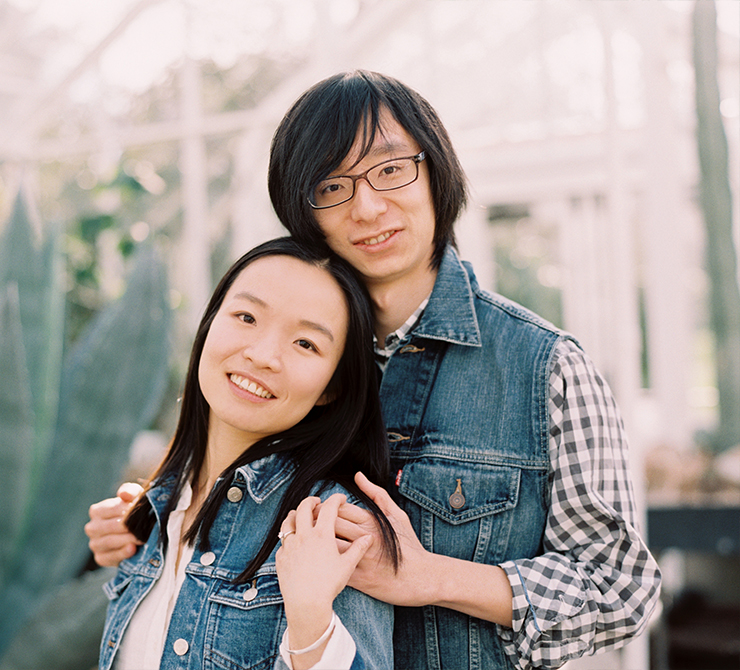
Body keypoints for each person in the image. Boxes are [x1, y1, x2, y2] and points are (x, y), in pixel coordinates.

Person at [88, 70, 661, 670]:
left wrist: (433, 578)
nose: (366, 206)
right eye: (332, 186)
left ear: (436, 170)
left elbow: (622, 589)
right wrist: (165, 521)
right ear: (302, 211)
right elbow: (235, 483)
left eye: (390, 170)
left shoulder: (546, 367)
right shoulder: (289, 361)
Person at [96, 236, 400, 670]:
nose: (262, 356)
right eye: (246, 316)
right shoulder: (159, 505)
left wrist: (311, 620)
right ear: (210, 322)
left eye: (305, 344)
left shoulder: (328, 523)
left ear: (332, 387)